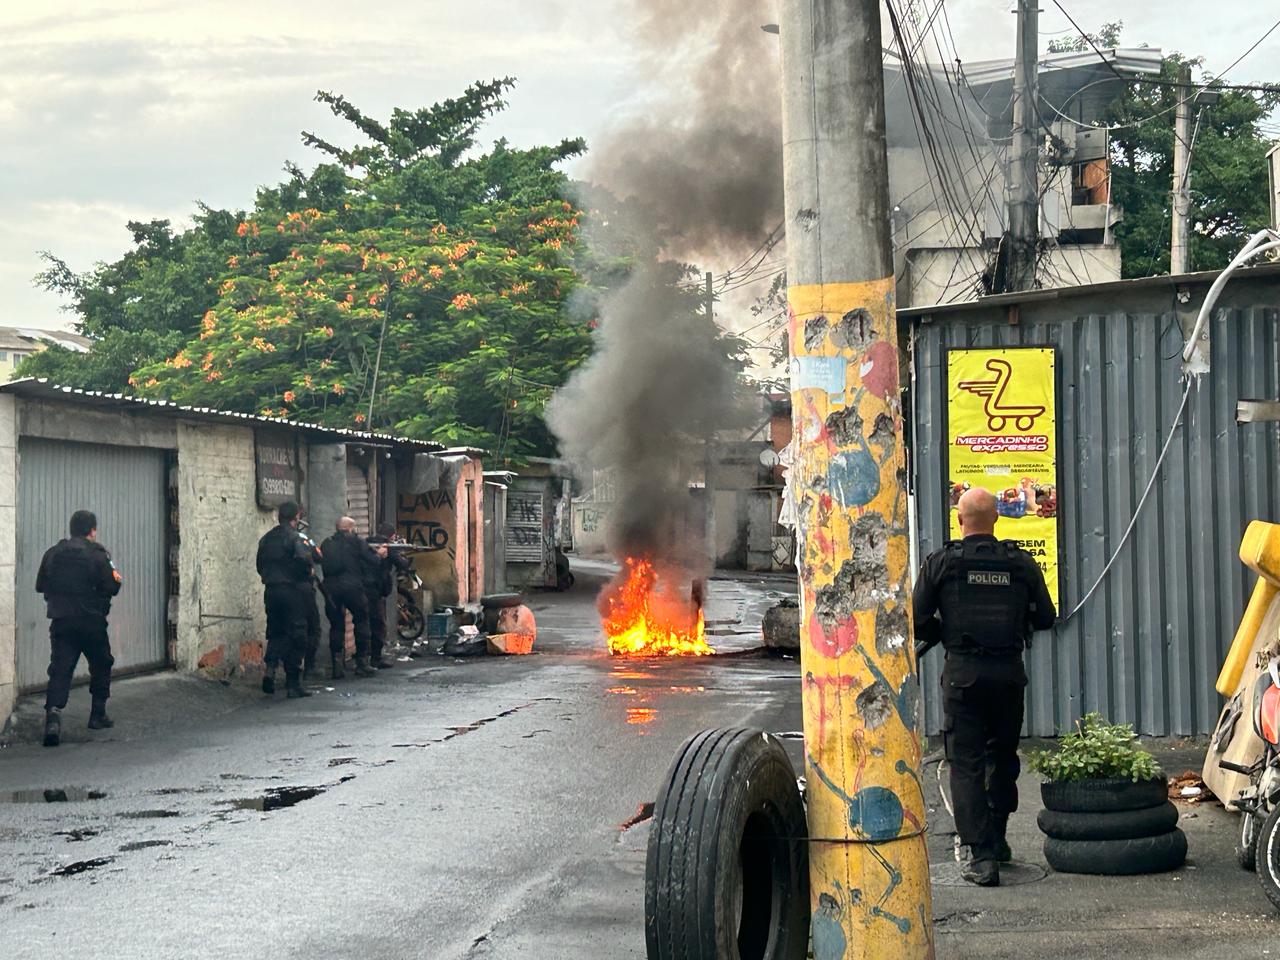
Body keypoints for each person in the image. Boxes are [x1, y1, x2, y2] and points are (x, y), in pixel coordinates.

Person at [913, 487, 1056, 887]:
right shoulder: (1020, 563)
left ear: (960, 521)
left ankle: (980, 856)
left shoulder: (942, 563)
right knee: (1003, 756)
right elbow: (1046, 617)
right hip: (1008, 675)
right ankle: (998, 836)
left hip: (963, 676)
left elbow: (916, 617)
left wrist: (945, 632)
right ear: (996, 519)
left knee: (966, 764)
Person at [37, 510, 123, 748]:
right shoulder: (98, 554)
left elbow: (40, 585)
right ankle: (97, 715)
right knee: (101, 663)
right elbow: (114, 586)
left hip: (62, 621)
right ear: (92, 530)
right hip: (92, 621)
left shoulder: (53, 553)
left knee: (60, 669)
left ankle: (53, 719)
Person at [255, 501, 314, 700]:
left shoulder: (266, 539)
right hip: (293, 591)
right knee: (298, 633)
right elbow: (304, 561)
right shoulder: (295, 538)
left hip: (272, 591)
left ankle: (270, 669)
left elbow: (260, 566)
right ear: (296, 517)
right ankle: (293, 684)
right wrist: (303, 577)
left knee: (276, 632)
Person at [321, 517, 380, 679]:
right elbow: (373, 560)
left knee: (336, 625)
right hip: (353, 588)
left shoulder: (326, 543)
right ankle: (362, 663)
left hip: (331, 589)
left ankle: (337, 666)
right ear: (351, 529)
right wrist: (380, 554)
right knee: (361, 620)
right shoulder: (356, 542)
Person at [366, 522, 407, 669]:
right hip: (375, 590)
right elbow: (402, 564)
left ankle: (364, 658)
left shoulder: (366, 544)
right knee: (378, 625)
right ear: (391, 536)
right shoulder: (387, 547)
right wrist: (400, 553)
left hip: (362, 589)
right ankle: (375, 658)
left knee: (365, 624)